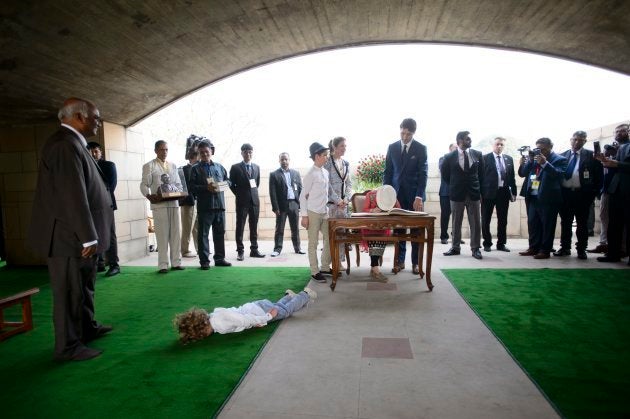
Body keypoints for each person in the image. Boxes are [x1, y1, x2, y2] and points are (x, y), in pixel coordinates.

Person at [28, 98, 114, 361]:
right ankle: (68, 347)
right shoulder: (64, 144)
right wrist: (87, 237)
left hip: (77, 235)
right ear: (78, 116)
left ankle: (87, 328)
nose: (98, 122)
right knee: (68, 293)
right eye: (95, 117)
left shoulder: (74, 142)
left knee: (84, 286)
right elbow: (71, 194)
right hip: (68, 237)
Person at [174, 287, 317, 344]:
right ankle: (288, 296)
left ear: (203, 328)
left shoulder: (221, 325)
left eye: (202, 335)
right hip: (255, 306)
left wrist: (267, 317)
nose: (204, 336)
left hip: (259, 312)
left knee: (284, 312)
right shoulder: (213, 316)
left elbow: (244, 320)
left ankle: (305, 294)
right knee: (278, 307)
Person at [383, 118, 428, 274]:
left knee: (416, 231)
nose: (404, 137)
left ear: (413, 133)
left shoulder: (421, 149)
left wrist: (419, 197)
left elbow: (423, 174)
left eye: (408, 134)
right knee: (399, 231)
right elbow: (388, 173)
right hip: (397, 197)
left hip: (415, 198)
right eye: (402, 133)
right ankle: (399, 261)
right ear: (400, 130)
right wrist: (387, 195)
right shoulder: (392, 147)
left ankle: (415, 263)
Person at [554, 131, 602, 260]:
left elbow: (598, 176)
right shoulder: (562, 156)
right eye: (575, 139)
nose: (577, 142)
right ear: (571, 140)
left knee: (582, 224)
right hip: (566, 194)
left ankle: (581, 249)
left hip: (583, 195)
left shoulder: (591, 156)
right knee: (566, 223)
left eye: (580, 140)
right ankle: (565, 248)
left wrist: (593, 194)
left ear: (585, 141)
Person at [518, 138, 568, 259]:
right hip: (533, 196)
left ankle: (545, 250)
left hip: (548, 197)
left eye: (543, 149)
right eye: (538, 149)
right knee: (533, 223)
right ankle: (533, 247)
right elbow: (523, 173)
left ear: (550, 147)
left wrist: (545, 163)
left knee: (547, 225)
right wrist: (528, 160)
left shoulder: (560, 159)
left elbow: (558, 174)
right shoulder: (534, 158)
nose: (540, 152)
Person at [140, 140, 185, 273]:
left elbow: (178, 184)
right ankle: (163, 265)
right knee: (162, 235)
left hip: (174, 204)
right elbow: (144, 184)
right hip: (159, 205)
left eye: (166, 149)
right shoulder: (149, 166)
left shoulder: (173, 165)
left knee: (176, 234)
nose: (164, 152)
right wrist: (148, 196)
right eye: (161, 149)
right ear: (155, 151)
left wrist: (180, 193)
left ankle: (176, 262)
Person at [441, 131, 484, 260]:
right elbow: (446, 176)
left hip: (474, 193)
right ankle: (455, 247)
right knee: (456, 222)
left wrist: (479, 190)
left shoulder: (477, 154)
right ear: (460, 140)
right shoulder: (449, 157)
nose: (470, 141)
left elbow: (481, 174)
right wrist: (456, 185)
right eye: (467, 139)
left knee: (476, 222)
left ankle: (476, 248)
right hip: (456, 193)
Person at [189, 140, 232, 269]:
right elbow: (191, 187)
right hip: (204, 208)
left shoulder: (219, 167)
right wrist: (206, 188)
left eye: (206, 152)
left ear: (211, 152)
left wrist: (220, 186)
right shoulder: (195, 169)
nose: (204, 154)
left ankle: (219, 259)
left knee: (219, 234)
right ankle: (204, 262)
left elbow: (229, 182)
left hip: (219, 206)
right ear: (199, 154)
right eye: (201, 152)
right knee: (203, 236)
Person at [597, 123, 630, 265]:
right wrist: (603, 160)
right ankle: (613, 253)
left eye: (622, 131)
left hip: (628, 190)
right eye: (616, 131)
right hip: (615, 190)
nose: (618, 133)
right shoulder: (616, 148)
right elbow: (611, 167)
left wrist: (616, 164)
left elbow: (620, 165)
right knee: (614, 224)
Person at [87, 141, 120, 277]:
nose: (94, 154)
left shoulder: (108, 165)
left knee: (109, 234)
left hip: (106, 206)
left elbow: (110, 186)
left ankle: (114, 265)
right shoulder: (85, 166)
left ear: (101, 152)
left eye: (96, 151)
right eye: (91, 151)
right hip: (89, 206)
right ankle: (99, 263)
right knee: (93, 234)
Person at [301, 142, 333, 283]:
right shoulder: (310, 174)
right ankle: (315, 271)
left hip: (324, 212)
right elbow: (302, 196)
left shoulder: (325, 172)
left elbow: (328, 193)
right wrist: (304, 216)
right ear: (317, 156)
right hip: (312, 212)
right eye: (325, 155)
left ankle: (325, 266)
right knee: (313, 243)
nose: (327, 157)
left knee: (330, 239)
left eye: (327, 155)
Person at [480, 137, 517, 252]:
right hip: (488, 193)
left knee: (503, 220)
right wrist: (480, 194)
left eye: (502, 144)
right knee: (486, 219)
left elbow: (512, 178)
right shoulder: (484, 158)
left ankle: (501, 243)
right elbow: (479, 177)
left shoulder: (509, 159)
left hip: (503, 192)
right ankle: (487, 243)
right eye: (497, 144)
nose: (499, 146)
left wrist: (514, 193)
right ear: (493, 145)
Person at [229, 143, 265, 261]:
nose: (248, 154)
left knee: (254, 226)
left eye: (250, 152)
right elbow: (231, 184)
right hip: (242, 201)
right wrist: (238, 194)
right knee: (240, 226)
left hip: (254, 201)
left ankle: (254, 249)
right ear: (242, 153)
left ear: (252, 153)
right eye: (245, 152)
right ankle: (240, 251)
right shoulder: (235, 167)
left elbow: (257, 183)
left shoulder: (257, 167)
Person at [361, 188, 400, 282]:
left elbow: (398, 208)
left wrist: (391, 210)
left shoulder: (391, 194)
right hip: (369, 226)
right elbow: (365, 209)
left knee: (382, 236)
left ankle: (374, 267)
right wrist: (372, 210)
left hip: (383, 226)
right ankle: (375, 268)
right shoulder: (370, 195)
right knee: (375, 237)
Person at [269, 152, 304, 257]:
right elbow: (272, 192)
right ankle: (277, 249)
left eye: (286, 159)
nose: (284, 161)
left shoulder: (296, 173)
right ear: (279, 161)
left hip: (294, 204)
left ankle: (297, 248)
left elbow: (300, 189)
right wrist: (275, 207)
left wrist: (300, 205)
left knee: (295, 228)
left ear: (289, 160)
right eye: (282, 159)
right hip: (281, 206)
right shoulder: (274, 174)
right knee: (279, 228)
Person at [324, 137, 353, 263]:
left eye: (345, 146)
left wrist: (346, 199)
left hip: (344, 206)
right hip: (331, 205)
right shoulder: (327, 162)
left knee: (342, 234)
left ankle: (339, 262)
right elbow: (326, 184)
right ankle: (329, 263)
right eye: (342, 146)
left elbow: (349, 184)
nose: (344, 148)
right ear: (334, 147)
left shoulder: (346, 163)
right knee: (331, 235)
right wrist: (337, 201)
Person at [588, 140, 620, 254]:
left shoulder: (616, 162)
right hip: (605, 191)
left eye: (611, 150)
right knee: (603, 217)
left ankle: (617, 246)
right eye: (606, 150)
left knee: (614, 220)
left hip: (616, 192)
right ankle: (603, 243)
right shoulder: (602, 161)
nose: (607, 152)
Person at [438, 143, 461, 244]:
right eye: (455, 148)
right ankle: (444, 236)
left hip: (458, 192)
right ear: (450, 149)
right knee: (445, 215)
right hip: (445, 192)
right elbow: (445, 172)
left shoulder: (461, 159)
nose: (457, 150)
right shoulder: (443, 159)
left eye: (458, 148)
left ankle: (456, 236)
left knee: (458, 215)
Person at [179, 148, 199, 258]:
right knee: (187, 227)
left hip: (198, 201)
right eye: (197, 157)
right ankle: (185, 250)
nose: (199, 159)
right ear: (192, 158)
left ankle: (199, 249)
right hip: (188, 202)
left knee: (197, 227)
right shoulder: (184, 170)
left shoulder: (198, 169)